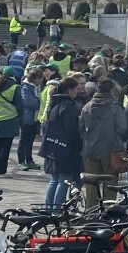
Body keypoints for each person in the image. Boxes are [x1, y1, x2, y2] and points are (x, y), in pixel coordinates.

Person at [79, 78, 126, 208]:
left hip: (90, 150)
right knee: (110, 185)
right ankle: (108, 213)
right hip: (111, 150)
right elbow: (122, 128)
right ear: (111, 90)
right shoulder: (114, 108)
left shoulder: (87, 107)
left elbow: (81, 129)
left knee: (91, 186)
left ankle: (91, 213)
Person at [39, 77, 84, 210]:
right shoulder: (69, 106)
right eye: (75, 89)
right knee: (64, 180)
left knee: (54, 180)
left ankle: (49, 208)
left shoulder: (55, 103)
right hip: (66, 149)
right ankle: (57, 210)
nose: (77, 91)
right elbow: (71, 129)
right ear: (69, 90)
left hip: (53, 146)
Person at [0, 66, 22, 175]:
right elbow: (20, 106)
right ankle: (2, 169)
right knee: (6, 145)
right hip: (10, 118)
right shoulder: (15, 87)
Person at [16, 67, 43, 171]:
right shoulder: (25, 88)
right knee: (24, 139)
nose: (40, 80)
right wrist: (40, 102)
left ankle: (29, 159)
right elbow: (29, 102)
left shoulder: (37, 87)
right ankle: (21, 161)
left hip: (35, 117)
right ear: (33, 78)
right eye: (38, 78)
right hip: (27, 117)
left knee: (31, 139)